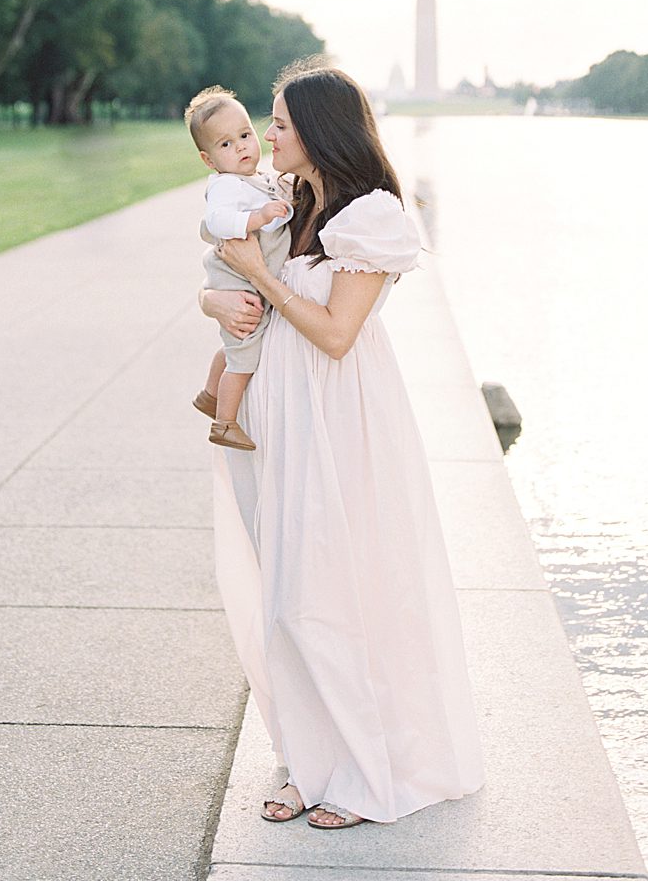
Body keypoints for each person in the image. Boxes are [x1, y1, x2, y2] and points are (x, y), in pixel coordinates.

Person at [200, 61, 486, 829]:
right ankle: (309, 759)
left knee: (331, 594)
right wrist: (220, 293)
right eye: (270, 120)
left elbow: (334, 334)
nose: (268, 135)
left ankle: (364, 770)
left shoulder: (370, 218)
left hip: (340, 422)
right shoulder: (287, 204)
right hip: (280, 416)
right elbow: (223, 280)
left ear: (321, 131)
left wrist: (260, 272)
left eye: (283, 123)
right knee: (285, 598)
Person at [185, 87, 293, 451]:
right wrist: (258, 217)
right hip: (237, 283)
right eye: (226, 145)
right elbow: (216, 221)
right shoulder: (225, 186)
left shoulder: (254, 179)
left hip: (240, 283)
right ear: (208, 159)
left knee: (234, 347)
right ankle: (224, 423)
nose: (243, 147)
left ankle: (210, 394)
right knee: (244, 358)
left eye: (245, 135)